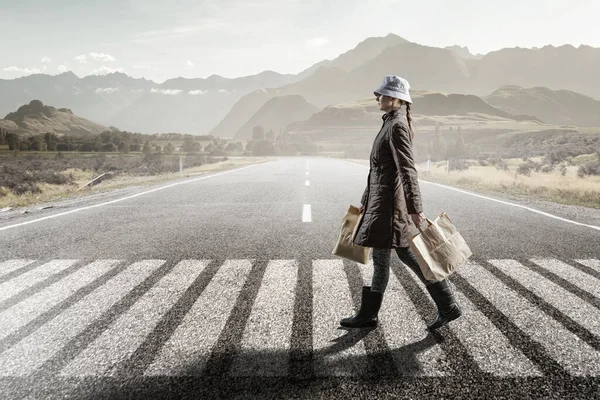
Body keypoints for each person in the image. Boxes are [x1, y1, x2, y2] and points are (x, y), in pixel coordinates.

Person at [341, 75, 461, 331]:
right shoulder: (391, 123)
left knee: (407, 255)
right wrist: (364, 201)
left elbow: (407, 170)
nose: (377, 98)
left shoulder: (395, 126)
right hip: (381, 205)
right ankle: (369, 314)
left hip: (390, 210)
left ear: (394, 98)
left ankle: (448, 305)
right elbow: (378, 170)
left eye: (381, 94)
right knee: (382, 260)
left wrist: (416, 209)